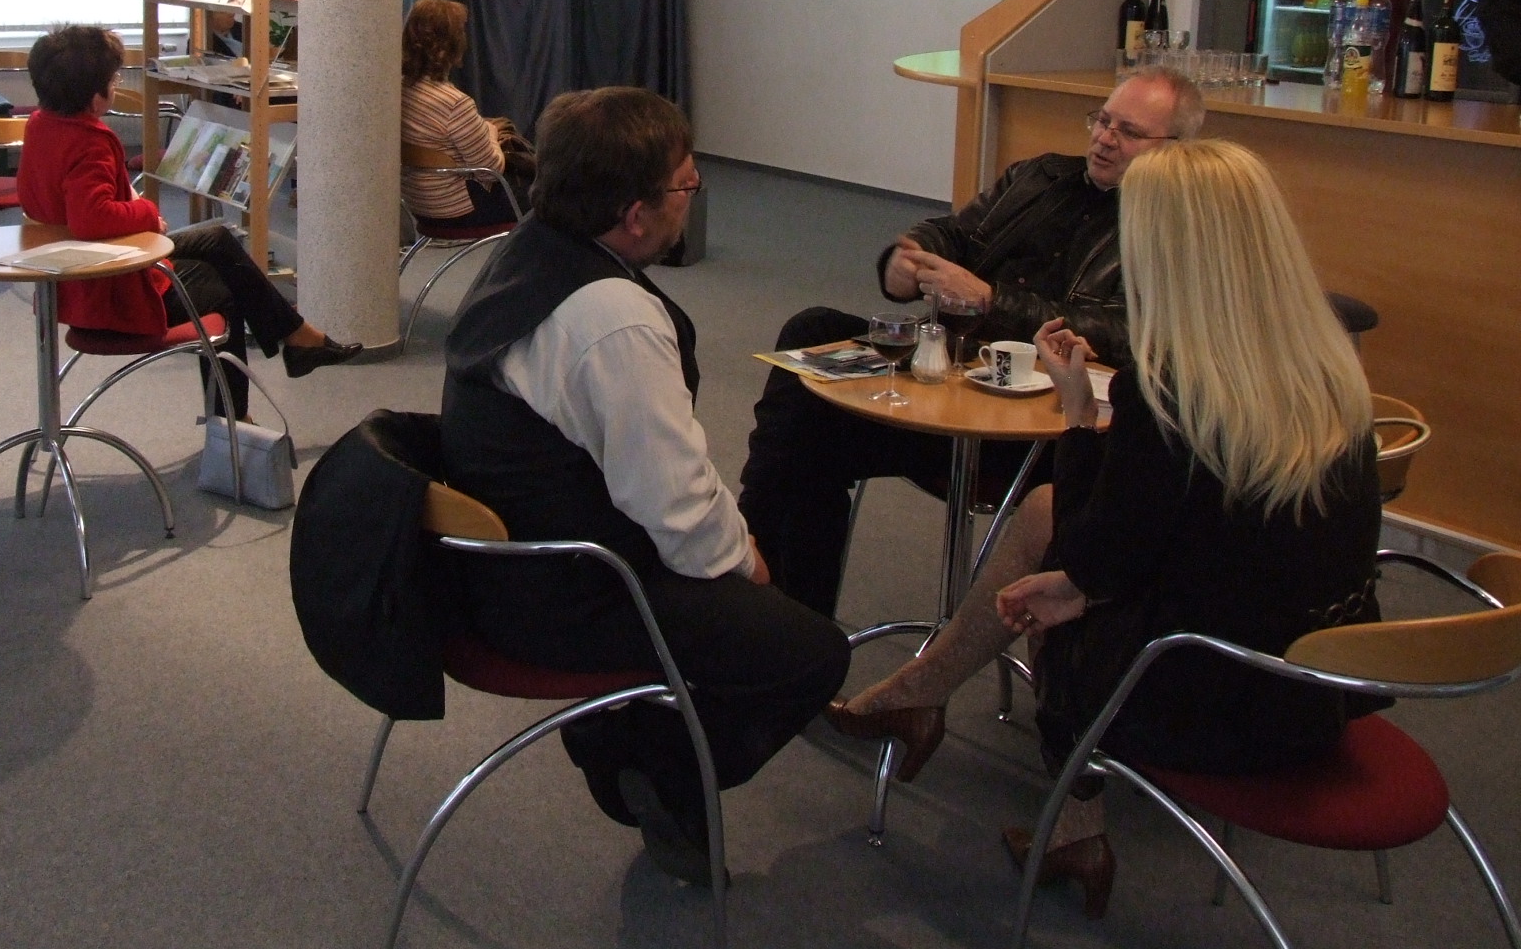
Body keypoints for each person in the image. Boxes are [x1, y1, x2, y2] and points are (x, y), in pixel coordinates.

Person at [825, 139, 1381, 918]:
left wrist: (1080, 418)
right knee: (1048, 536)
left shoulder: (1175, 392)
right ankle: (974, 743)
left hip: (1214, 702)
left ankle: (949, 715)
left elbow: (1095, 554)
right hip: (1321, 684)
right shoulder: (1324, 372)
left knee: (1048, 592)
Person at [440, 86, 851, 887]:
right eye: (686, 185)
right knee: (810, 656)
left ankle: (639, 741)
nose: (693, 196)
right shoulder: (614, 320)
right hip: (570, 591)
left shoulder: (528, 253)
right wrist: (748, 564)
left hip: (496, 565)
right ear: (635, 215)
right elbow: (674, 507)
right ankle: (644, 759)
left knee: (759, 598)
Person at [739, 67, 1205, 617]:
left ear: (1176, 148)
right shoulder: (1040, 176)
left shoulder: (1175, 226)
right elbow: (954, 232)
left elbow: (1126, 337)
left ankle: (775, 613)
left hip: (1040, 434)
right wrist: (907, 259)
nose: (1104, 138)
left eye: (1128, 131)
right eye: (1102, 120)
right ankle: (777, 607)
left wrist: (991, 301)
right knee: (810, 345)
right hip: (950, 382)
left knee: (806, 439)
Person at [16, 25, 359, 415]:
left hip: (73, 279)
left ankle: (298, 337)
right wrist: (147, 214)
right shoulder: (89, 140)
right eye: (113, 80)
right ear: (96, 97)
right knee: (227, 292)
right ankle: (233, 419)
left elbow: (55, 203)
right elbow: (92, 219)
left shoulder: (40, 124)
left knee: (217, 241)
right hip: (109, 286)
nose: (115, 84)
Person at [401, 0, 535, 231]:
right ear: (451, 44)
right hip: (461, 211)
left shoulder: (399, 91)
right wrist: (491, 134)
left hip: (419, 205)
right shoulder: (454, 103)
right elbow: (492, 170)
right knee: (551, 194)